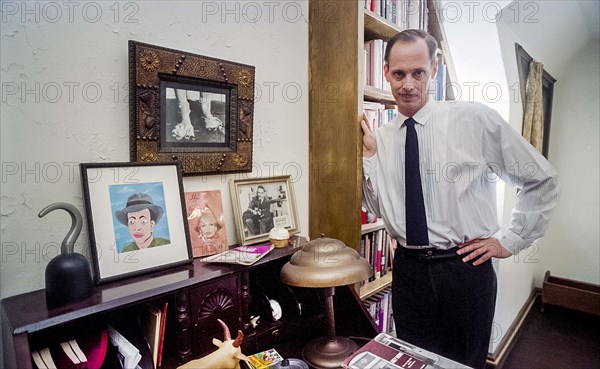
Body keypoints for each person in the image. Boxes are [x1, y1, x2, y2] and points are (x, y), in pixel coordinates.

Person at [361, 29, 560, 369]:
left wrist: (510, 240)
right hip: (409, 273)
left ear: (434, 71)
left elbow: (541, 178)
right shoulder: (382, 138)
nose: (408, 84)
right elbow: (380, 208)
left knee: (464, 363)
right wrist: (369, 158)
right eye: (399, 74)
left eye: (418, 72)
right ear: (386, 73)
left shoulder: (473, 119)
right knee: (413, 361)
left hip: (465, 270)